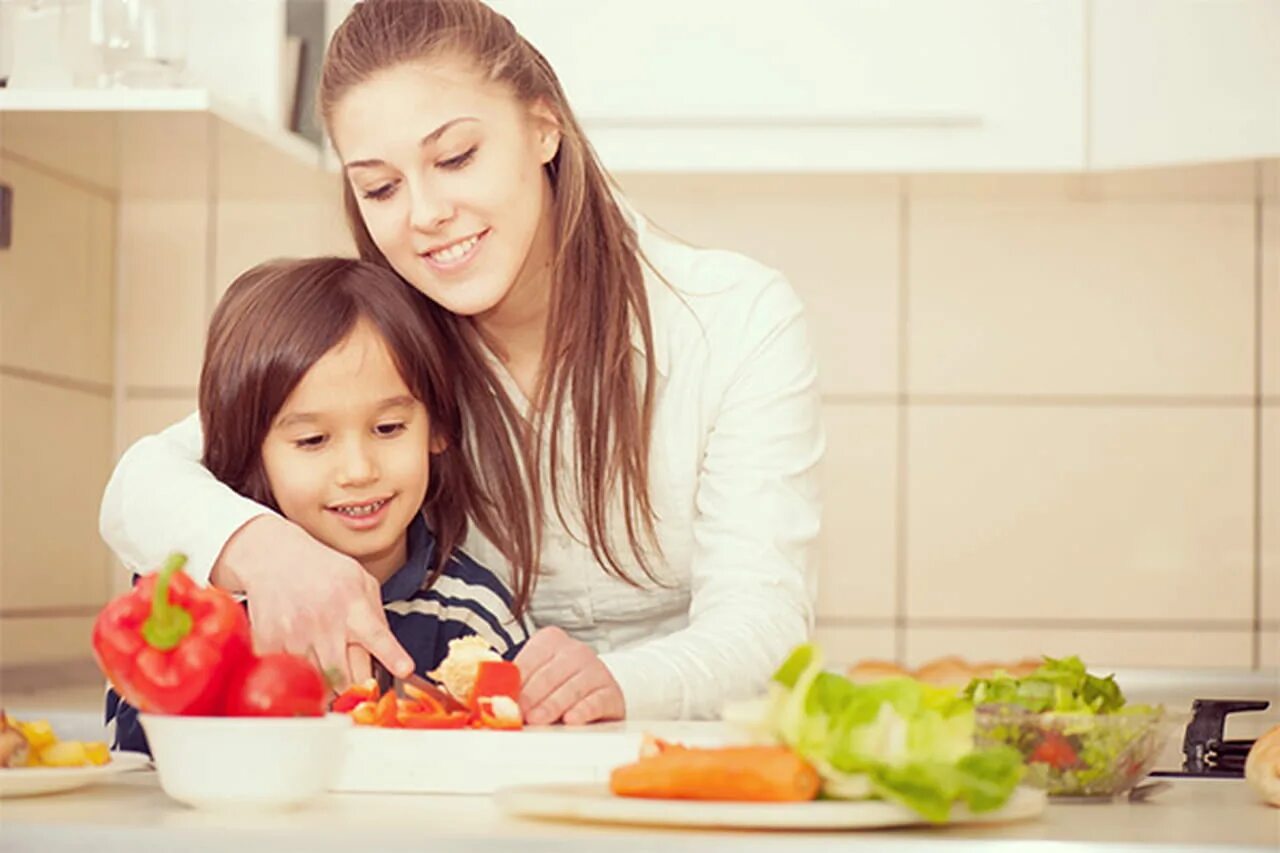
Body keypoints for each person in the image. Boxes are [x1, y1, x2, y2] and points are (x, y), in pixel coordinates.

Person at [100, 0, 823, 726]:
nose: (424, 213)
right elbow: (141, 484)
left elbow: (763, 627)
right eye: (381, 187)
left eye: (455, 158)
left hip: (680, 756)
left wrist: (618, 681)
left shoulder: (735, 317)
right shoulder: (383, 342)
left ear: (545, 127)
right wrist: (263, 549)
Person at [107, 257, 528, 752]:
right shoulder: (196, 612)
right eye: (312, 440)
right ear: (253, 451)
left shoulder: (472, 611)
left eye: (389, 429)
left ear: (437, 427)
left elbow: (510, 754)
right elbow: (142, 770)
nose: (358, 470)